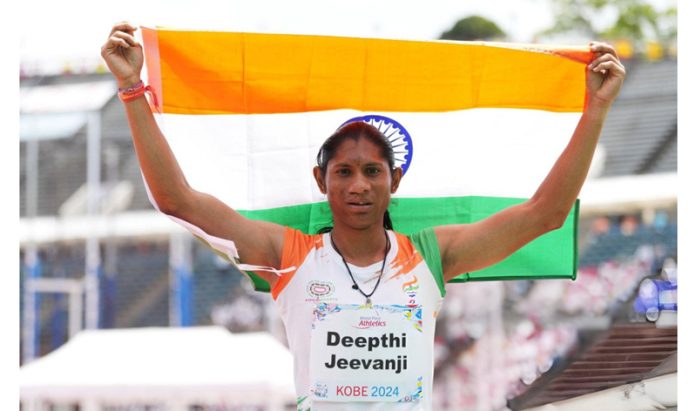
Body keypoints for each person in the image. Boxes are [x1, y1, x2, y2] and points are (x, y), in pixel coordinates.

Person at [101, 22, 625, 411]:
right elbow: (178, 200)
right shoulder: (290, 256)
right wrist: (132, 90)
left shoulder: (430, 256)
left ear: (395, 181)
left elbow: (546, 213)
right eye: (344, 172)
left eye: (373, 171)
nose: (358, 185)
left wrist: (595, 109)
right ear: (320, 181)